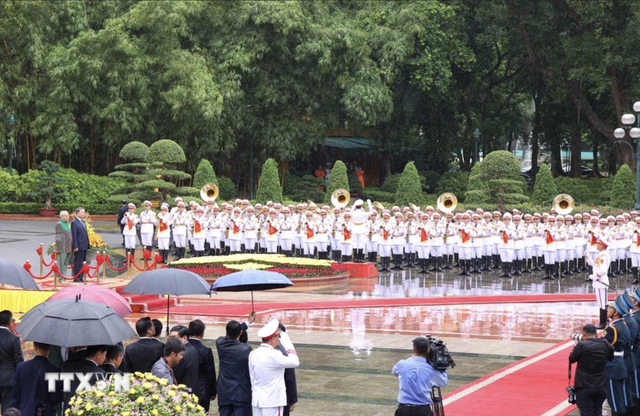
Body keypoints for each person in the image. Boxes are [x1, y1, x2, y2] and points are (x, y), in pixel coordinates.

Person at [249, 319, 299, 416]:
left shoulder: (253, 353)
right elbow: (295, 361)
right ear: (272, 339)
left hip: (257, 400)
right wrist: (287, 342)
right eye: (277, 337)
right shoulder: (274, 355)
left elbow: (252, 378)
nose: (279, 340)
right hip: (273, 401)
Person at [392, 337, 448, 416]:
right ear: (428, 350)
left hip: (404, 409)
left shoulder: (402, 364)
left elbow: (394, 371)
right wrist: (441, 365)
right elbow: (444, 381)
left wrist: (411, 358)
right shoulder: (431, 370)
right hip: (423, 410)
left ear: (413, 350)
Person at [569, 324, 614, 416]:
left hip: (584, 385)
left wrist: (576, 345)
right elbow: (611, 357)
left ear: (584, 334)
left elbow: (572, 359)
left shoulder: (581, 345)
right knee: (597, 411)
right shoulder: (605, 344)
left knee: (586, 412)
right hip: (601, 385)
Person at [10, 342, 62, 416]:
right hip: (45, 412)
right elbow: (55, 398)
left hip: (24, 412)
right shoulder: (54, 370)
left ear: (34, 347)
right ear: (50, 347)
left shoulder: (21, 368)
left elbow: (15, 396)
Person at [216, 319, 253, 416]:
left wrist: (246, 324)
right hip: (241, 392)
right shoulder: (245, 349)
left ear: (226, 332)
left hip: (224, 390)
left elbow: (226, 337)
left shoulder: (220, 343)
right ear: (240, 333)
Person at [189, 319, 217, 413]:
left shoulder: (182, 348)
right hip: (202, 392)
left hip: (185, 389)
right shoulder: (206, 350)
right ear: (202, 333)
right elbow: (210, 373)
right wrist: (213, 392)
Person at [0, 311, 23, 413]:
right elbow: (19, 362)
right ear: (10, 323)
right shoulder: (14, 339)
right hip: (8, 379)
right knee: (7, 410)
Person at [586, 236, 611, 329]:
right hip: (599, 282)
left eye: (598, 243)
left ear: (602, 245)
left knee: (602, 303)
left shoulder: (603, 256)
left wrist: (595, 276)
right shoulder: (601, 254)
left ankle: (603, 322)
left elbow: (603, 270)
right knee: (602, 302)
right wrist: (588, 258)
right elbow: (595, 265)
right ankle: (605, 319)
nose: (596, 245)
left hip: (600, 282)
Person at [168, 325, 200, 395]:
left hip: (183, 392)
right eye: (170, 337)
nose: (171, 340)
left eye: (174, 337)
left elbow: (175, 375)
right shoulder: (191, 348)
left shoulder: (181, 354)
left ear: (184, 338)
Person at [275, 324, 298, 416]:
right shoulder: (284, 354)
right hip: (281, 397)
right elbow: (290, 378)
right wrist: (292, 399)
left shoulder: (256, 353)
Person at [70, 207, 89, 282]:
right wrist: (75, 246)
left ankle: (81, 276)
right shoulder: (74, 222)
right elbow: (74, 235)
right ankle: (77, 277)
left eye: (84, 212)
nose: (84, 214)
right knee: (78, 262)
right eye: (82, 212)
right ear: (77, 213)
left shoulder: (83, 221)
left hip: (84, 244)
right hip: (79, 245)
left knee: (83, 262)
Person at [54, 211, 72, 279]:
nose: (68, 217)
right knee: (61, 264)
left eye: (68, 215)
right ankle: (61, 277)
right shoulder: (59, 224)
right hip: (62, 248)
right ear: (62, 217)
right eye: (66, 216)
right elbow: (58, 237)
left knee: (65, 263)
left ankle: (64, 276)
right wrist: (58, 248)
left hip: (68, 247)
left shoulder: (67, 224)